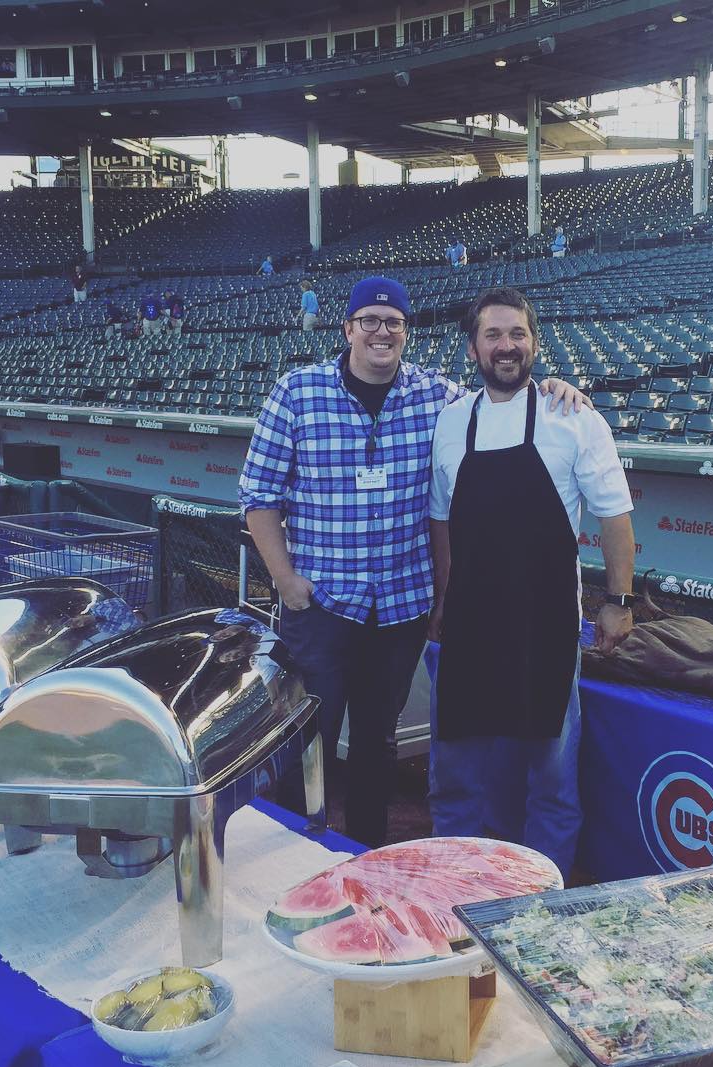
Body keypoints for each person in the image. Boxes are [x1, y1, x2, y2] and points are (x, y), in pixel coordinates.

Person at [238, 276, 589, 848]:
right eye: (369, 320)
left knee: (377, 739)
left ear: (407, 332)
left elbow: (502, 391)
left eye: (394, 322)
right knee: (311, 737)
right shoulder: (296, 393)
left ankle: (368, 852)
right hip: (322, 604)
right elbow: (258, 496)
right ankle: (299, 850)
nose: (382, 331)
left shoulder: (438, 397)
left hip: (400, 606)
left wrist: (554, 388)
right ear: (348, 328)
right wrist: (285, 581)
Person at [427, 287, 635, 879]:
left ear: (535, 343)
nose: (506, 346)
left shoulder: (573, 416)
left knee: (552, 786)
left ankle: (541, 906)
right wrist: (443, 598)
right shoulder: (450, 422)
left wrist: (618, 603)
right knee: (455, 782)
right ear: (473, 348)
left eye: (518, 334)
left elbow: (615, 516)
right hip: (468, 629)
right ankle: (454, 895)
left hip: (548, 630)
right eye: (492, 335)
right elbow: (440, 521)